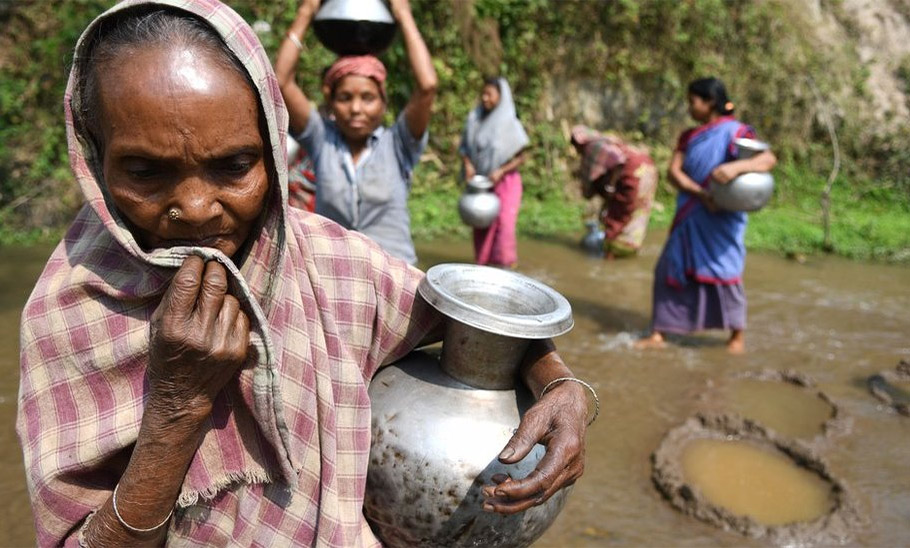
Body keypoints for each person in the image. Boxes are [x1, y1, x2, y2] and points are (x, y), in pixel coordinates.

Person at [15, 2, 591, 545]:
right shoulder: (71, 312)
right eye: (143, 171)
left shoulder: (329, 263)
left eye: (234, 166)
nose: (193, 207)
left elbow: (466, 321)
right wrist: (176, 410)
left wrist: (561, 383)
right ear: (94, 157)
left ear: (271, 149)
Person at [275, 0, 437, 265]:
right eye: (345, 97)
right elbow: (281, 81)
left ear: (383, 102)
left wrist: (404, 15)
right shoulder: (322, 140)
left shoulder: (398, 144)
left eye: (368, 98)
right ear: (331, 103)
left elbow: (427, 85)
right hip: (335, 277)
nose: (356, 108)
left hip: (396, 278)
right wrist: (306, 12)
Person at [637, 77, 777, 353]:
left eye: (693, 101)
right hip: (693, 210)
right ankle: (660, 332)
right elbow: (674, 172)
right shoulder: (689, 136)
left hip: (722, 217)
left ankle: (737, 337)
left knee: (724, 272)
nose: (689, 107)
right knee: (669, 269)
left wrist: (735, 169)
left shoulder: (736, 131)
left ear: (709, 101)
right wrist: (701, 194)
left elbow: (767, 159)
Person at [459, 77, 529, 268]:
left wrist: (501, 170)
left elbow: (522, 156)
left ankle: (505, 269)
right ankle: (482, 268)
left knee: (504, 226)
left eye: (489, 94)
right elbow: (464, 148)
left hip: (506, 182)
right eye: (483, 93)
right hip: (482, 183)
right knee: (481, 226)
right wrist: (468, 165)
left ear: (501, 96)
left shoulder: (510, 124)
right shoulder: (475, 119)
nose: (485, 98)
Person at [570, 125, 658, 259]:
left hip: (633, 173)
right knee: (637, 210)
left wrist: (610, 186)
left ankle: (612, 253)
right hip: (647, 168)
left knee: (620, 213)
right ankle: (629, 248)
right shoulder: (607, 141)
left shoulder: (593, 147)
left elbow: (618, 161)